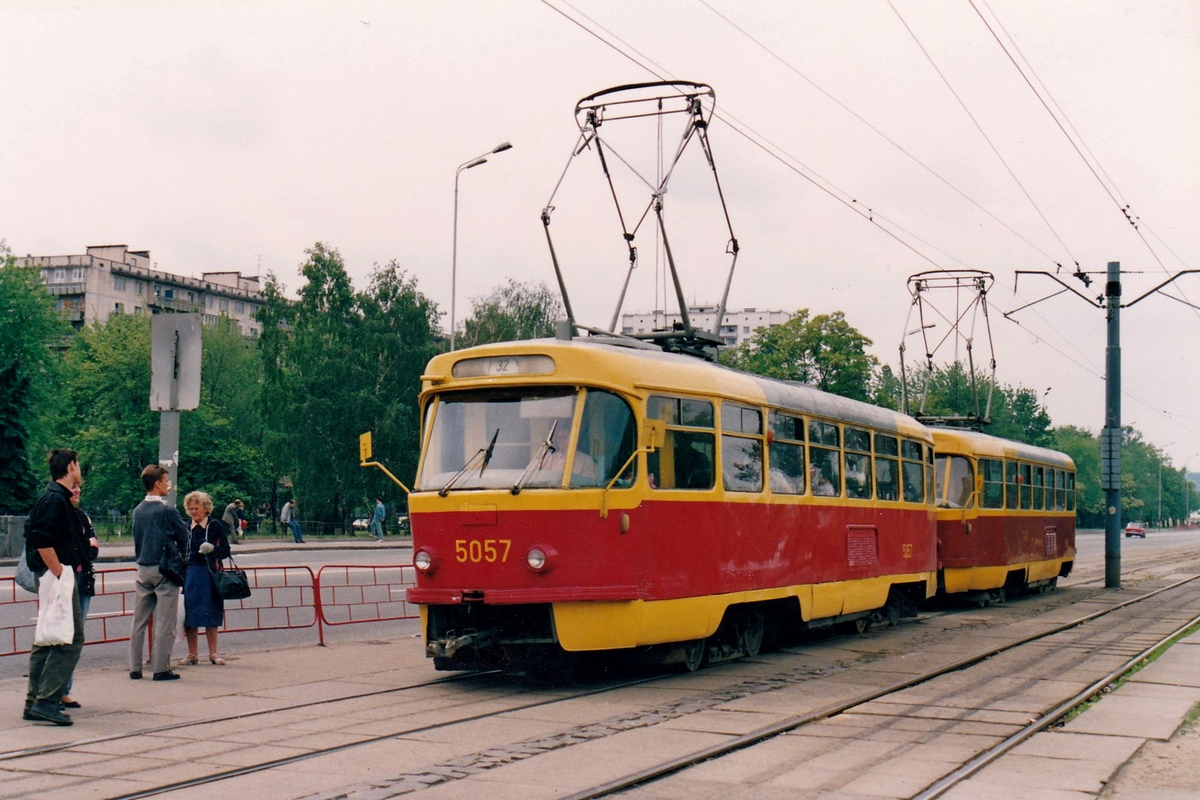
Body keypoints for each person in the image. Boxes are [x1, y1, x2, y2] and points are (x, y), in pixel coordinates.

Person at [23, 449, 86, 726]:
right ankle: (46, 701)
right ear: (71, 466)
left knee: (48, 636)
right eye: (78, 464)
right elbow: (41, 539)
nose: (80, 469)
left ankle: (34, 701)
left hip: (51, 573)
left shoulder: (56, 498)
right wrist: (60, 573)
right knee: (69, 636)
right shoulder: (54, 500)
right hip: (55, 573)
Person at [129, 464, 189, 681]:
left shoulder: (138, 510)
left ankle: (135, 667)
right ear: (157, 484)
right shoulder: (167, 511)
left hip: (143, 567)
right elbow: (184, 536)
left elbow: (137, 538)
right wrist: (183, 559)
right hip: (164, 569)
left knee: (139, 620)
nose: (168, 485)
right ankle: (160, 668)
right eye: (166, 481)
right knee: (165, 622)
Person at [180, 491, 232, 666]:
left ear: (205, 508)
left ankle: (213, 653)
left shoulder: (215, 525)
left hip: (210, 574)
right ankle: (192, 653)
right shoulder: (186, 526)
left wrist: (213, 550)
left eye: (196, 508)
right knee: (190, 614)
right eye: (190, 508)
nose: (193, 512)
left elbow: (226, 551)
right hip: (191, 573)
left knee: (212, 612)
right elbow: (180, 550)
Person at [61, 484, 99, 710]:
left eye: (79, 488)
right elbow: (69, 547)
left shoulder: (83, 516)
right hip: (65, 579)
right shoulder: (61, 515)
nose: (76, 491)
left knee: (76, 635)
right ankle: (58, 690)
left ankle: (65, 690)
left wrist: (85, 546)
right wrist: (85, 544)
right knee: (63, 635)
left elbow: (94, 551)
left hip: (83, 580)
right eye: (72, 487)